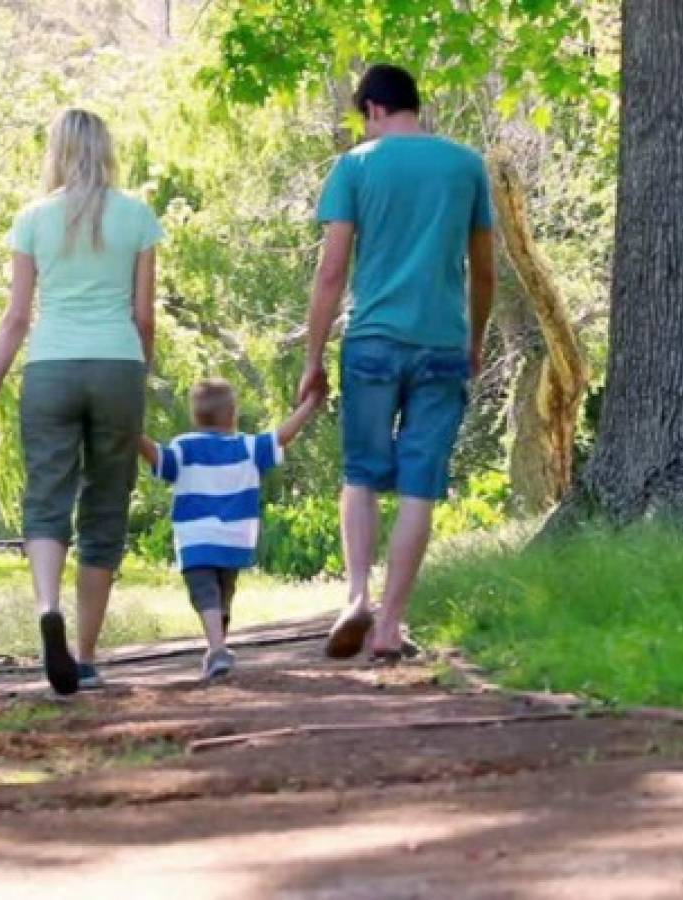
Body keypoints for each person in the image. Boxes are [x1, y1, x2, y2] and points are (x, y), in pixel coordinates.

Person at [299, 63, 497, 662]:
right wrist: (475, 341)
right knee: (419, 487)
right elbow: (484, 271)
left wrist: (313, 358)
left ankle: (356, 596)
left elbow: (332, 272)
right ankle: (390, 626)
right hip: (442, 343)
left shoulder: (356, 165)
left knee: (360, 474)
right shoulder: (466, 166)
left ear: (373, 110)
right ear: (413, 105)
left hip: (373, 342)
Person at [0, 108, 161, 696]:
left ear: (55, 150)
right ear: (107, 150)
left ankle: (47, 606)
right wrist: (138, 372)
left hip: (50, 366)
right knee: (105, 508)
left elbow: (16, 317)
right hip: (117, 365)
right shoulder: (137, 215)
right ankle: (83, 655)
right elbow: (144, 316)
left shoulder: (33, 218)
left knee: (46, 498)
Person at [139, 378, 323, 680]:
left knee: (204, 595)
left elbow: (156, 457)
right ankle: (218, 646)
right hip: (236, 539)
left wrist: (129, 429)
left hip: (196, 538)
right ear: (233, 413)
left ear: (195, 415)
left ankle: (216, 649)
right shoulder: (248, 447)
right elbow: (282, 436)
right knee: (224, 593)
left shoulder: (185, 446)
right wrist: (309, 405)